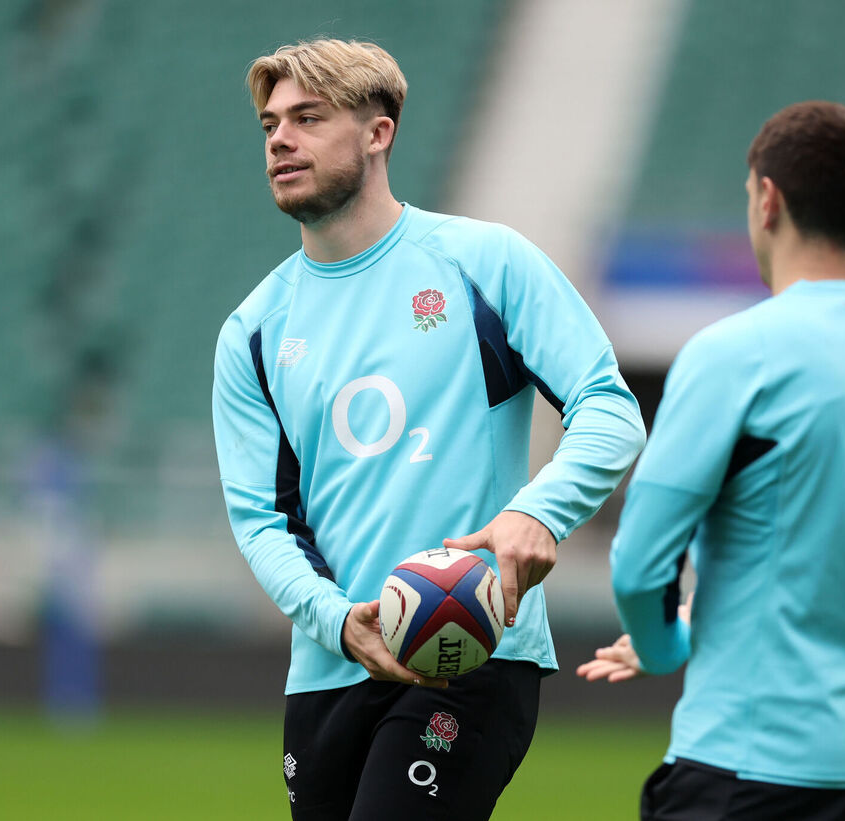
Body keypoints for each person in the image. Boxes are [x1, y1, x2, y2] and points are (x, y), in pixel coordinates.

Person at [211, 39, 645, 820]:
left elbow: (609, 408)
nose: (280, 139)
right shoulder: (253, 330)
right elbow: (262, 520)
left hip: (468, 649)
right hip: (328, 666)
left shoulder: (486, 262)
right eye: (271, 124)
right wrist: (338, 622)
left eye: (308, 118)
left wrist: (537, 512)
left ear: (378, 132)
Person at [577, 101, 845, 821]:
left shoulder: (733, 355)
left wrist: (663, 647)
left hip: (744, 767)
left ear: (767, 199)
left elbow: (639, 564)